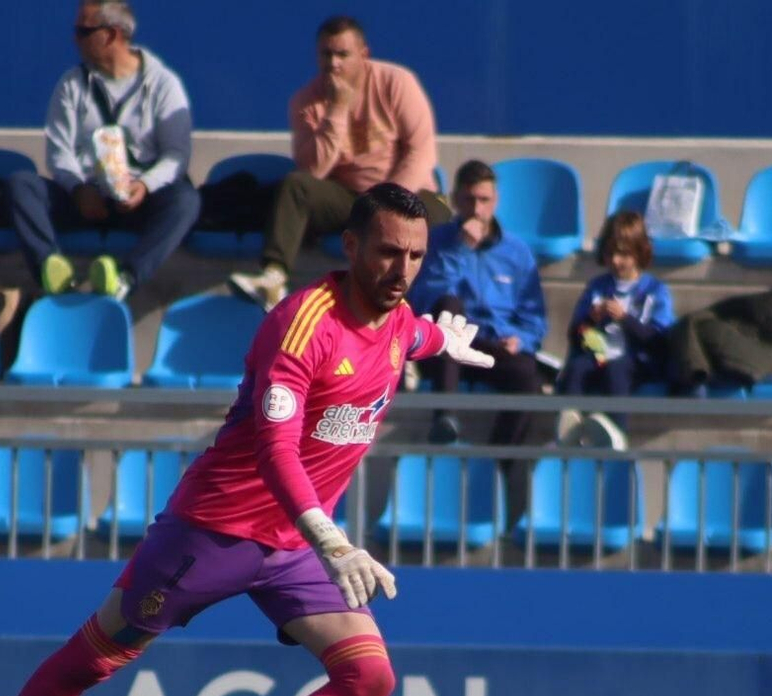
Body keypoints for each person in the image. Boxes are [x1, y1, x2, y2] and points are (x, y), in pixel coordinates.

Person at [0, 183, 494, 696]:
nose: (401, 269)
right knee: (91, 659)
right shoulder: (301, 322)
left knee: (368, 675)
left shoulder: (401, 320)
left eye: (414, 255)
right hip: (214, 531)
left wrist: (445, 340)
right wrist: (332, 540)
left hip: (297, 545)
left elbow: (414, 331)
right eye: (386, 252)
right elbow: (274, 450)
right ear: (349, 247)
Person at [228, 15, 448, 311]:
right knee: (297, 185)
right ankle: (273, 277)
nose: (333, 63)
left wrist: (389, 202)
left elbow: (421, 153)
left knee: (440, 216)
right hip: (351, 199)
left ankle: (423, 305)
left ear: (363, 54)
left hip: (407, 194)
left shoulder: (396, 82)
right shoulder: (305, 101)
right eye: (326, 54)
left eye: (342, 54)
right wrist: (337, 109)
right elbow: (314, 170)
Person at [8, 0, 199, 302]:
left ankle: (124, 279)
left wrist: (143, 186)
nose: (75, 40)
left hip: (139, 202)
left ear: (111, 34)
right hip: (87, 198)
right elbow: (59, 151)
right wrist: (78, 189)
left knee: (186, 200)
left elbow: (176, 155)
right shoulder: (71, 85)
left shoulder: (163, 85)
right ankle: (52, 271)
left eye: (83, 31)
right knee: (22, 184)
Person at [407, 160, 548, 449]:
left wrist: (520, 340)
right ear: (457, 199)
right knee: (449, 303)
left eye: (484, 200)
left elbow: (535, 318)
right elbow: (424, 300)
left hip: (491, 346)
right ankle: (445, 418)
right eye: (470, 199)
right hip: (445, 348)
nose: (477, 209)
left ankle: (501, 461)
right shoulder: (438, 241)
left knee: (528, 378)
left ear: (495, 201)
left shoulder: (517, 252)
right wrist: (459, 249)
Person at [557, 210, 675, 449]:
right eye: (610, 253)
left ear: (640, 253)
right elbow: (575, 334)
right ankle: (569, 428)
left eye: (623, 254)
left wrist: (625, 319)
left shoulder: (655, 290)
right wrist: (590, 320)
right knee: (578, 368)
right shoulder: (597, 286)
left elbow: (658, 339)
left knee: (617, 370)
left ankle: (616, 432)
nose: (616, 261)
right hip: (599, 355)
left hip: (637, 361)